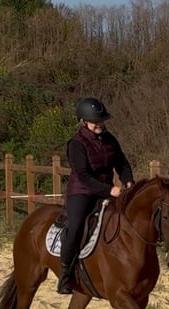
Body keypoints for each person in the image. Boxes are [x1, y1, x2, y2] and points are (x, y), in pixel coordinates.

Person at [57, 97, 135, 294]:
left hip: (107, 190)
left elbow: (122, 163)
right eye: (95, 122)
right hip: (82, 192)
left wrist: (128, 182)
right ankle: (65, 275)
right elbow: (83, 175)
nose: (100, 125)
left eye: (101, 121)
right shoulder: (76, 144)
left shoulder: (110, 140)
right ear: (83, 122)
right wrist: (110, 190)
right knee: (74, 228)